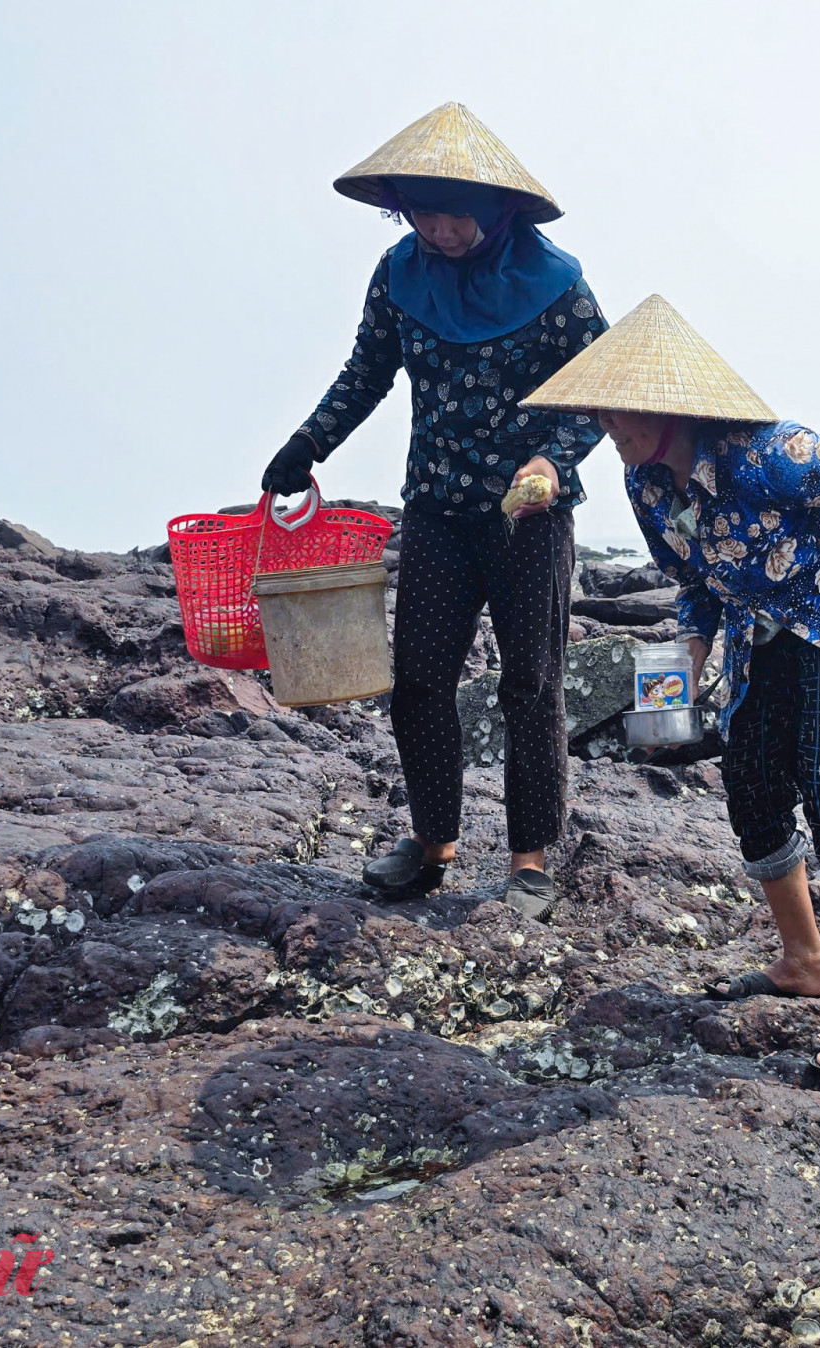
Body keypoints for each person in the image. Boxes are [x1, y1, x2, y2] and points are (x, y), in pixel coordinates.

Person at [520, 295, 820, 1076]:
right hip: (760, 632)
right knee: (750, 787)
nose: (607, 428)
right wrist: (682, 668)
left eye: (619, 411)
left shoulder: (776, 457)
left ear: (668, 407)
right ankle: (805, 963)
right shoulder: (649, 487)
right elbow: (697, 582)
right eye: (600, 413)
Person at [262, 103, 608, 920]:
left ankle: (529, 860)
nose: (443, 231)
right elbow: (366, 372)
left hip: (528, 519)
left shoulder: (558, 284)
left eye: (458, 215)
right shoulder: (399, 273)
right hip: (436, 509)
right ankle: (431, 843)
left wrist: (551, 461)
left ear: (498, 209)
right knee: (419, 682)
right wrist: (308, 444)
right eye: (425, 214)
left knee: (530, 684)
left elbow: (599, 394)